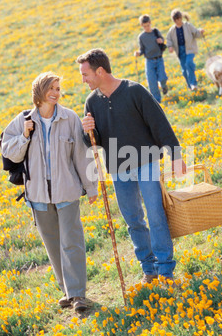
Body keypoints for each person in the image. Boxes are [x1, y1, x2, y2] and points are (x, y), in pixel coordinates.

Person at [77, 48, 187, 285]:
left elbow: (159, 123)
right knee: (133, 220)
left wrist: (175, 154)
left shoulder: (134, 90)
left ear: (100, 71)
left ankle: (165, 269)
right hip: (118, 168)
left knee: (156, 214)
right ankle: (149, 268)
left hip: (146, 161)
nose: (83, 79)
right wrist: (88, 131)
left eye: (85, 74)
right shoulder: (91, 102)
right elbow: (94, 142)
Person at [1, 72, 98, 313]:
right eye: (51, 88)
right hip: (37, 196)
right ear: (40, 92)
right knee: (53, 246)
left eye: (58, 88)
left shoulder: (69, 118)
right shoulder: (23, 120)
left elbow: (81, 155)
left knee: (72, 242)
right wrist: (24, 135)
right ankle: (66, 290)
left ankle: (77, 294)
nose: (56, 93)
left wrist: (91, 186)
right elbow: (9, 152)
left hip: (67, 192)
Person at [166, 9, 205, 91]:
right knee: (184, 70)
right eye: (176, 20)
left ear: (181, 18)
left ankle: (193, 83)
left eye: (179, 19)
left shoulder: (188, 26)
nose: (178, 21)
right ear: (174, 20)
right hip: (180, 51)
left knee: (189, 63)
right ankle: (190, 86)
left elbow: (196, 33)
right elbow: (169, 39)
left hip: (190, 49)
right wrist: (170, 46)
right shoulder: (172, 30)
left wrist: (200, 31)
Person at [134, 14, 168, 103]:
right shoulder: (141, 37)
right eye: (144, 26)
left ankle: (164, 86)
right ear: (142, 25)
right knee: (152, 82)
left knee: (162, 78)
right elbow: (142, 49)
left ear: (150, 23)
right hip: (149, 61)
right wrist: (138, 53)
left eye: (148, 25)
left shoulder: (156, 32)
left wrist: (161, 40)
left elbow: (162, 39)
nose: (146, 28)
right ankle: (157, 101)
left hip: (159, 59)